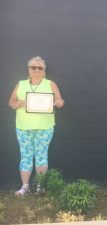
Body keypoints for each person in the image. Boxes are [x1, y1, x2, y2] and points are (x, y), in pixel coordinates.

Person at [8, 56, 64, 195]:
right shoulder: (20, 84)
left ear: (44, 70)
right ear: (29, 69)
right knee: (25, 156)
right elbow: (11, 102)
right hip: (23, 127)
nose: (36, 70)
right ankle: (25, 186)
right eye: (33, 67)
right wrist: (18, 104)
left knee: (41, 156)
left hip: (44, 127)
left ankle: (40, 186)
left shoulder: (50, 84)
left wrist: (59, 103)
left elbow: (59, 100)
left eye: (40, 68)